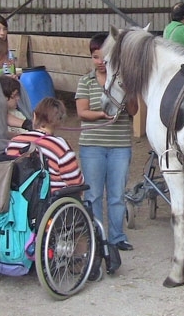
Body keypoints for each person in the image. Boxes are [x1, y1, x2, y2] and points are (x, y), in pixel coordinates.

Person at [75, 33, 138, 251]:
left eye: (104, 57)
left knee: (117, 194)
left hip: (120, 144)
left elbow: (134, 110)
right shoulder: (85, 81)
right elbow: (82, 112)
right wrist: (101, 115)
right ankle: (96, 237)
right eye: (95, 57)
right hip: (92, 144)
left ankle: (117, 237)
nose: (100, 62)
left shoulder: (122, 81)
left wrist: (127, 92)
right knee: (93, 195)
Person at [6, 97, 84, 192]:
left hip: (17, 198)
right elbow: (76, 182)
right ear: (59, 122)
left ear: (34, 116)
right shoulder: (59, 146)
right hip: (50, 200)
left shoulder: (15, 142)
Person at [0, 13, 33, 120]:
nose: (2, 33)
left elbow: (11, 72)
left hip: (10, 94)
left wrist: (13, 77)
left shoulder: (9, 55)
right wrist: (3, 77)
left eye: (4, 29)